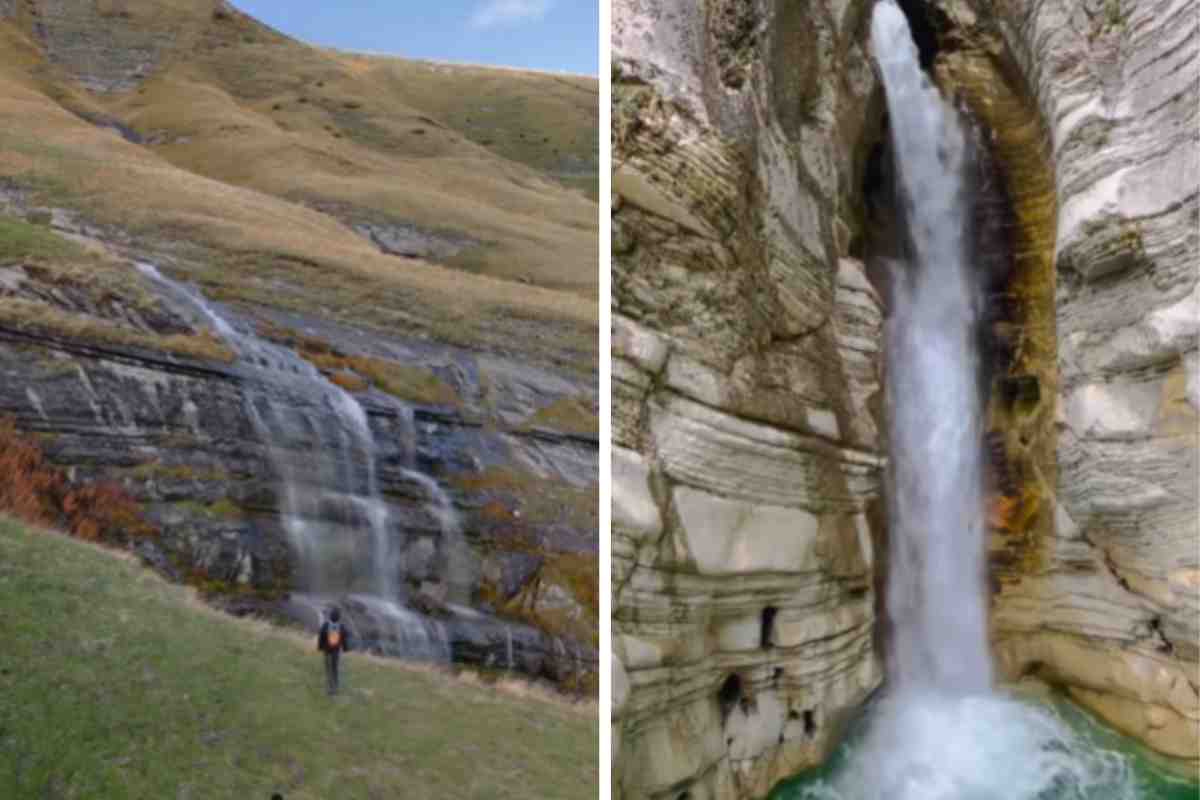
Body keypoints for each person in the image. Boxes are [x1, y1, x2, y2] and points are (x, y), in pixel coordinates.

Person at [317, 607, 351, 695]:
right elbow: (344, 638)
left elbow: (321, 637)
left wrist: (320, 647)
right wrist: (345, 648)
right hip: (336, 650)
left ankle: (330, 688)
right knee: (335, 669)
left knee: (328, 669)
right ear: (339, 618)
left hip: (327, 650)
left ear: (330, 616)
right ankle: (335, 687)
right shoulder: (342, 626)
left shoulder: (326, 625)